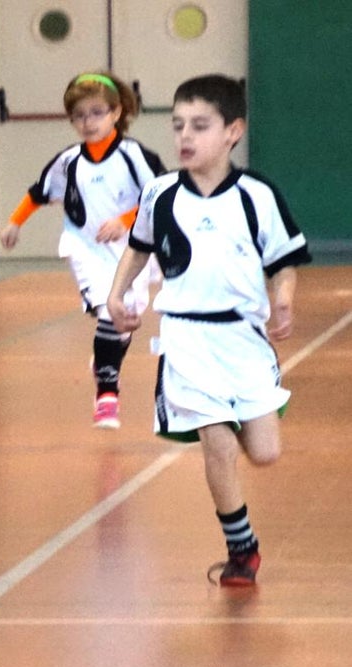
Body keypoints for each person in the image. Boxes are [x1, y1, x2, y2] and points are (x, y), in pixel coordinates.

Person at [107, 74, 310, 586]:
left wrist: (282, 298)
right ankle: (242, 549)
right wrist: (117, 294)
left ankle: (234, 417)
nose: (185, 137)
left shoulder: (257, 196)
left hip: (243, 340)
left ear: (232, 132)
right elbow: (139, 246)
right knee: (217, 446)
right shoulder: (161, 194)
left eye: (200, 125)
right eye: (178, 125)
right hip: (185, 339)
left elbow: (285, 261)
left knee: (264, 453)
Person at [0, 71, 165, 429]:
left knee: (126, 317)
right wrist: (15, 222)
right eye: (79, 115)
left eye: (96, 113)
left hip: (131, 249)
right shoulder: (69, 161)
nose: (88, 122)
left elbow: (160, 199)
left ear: (116, 113)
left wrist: (126, 219)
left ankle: (104, 358)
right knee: (110, 309)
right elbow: (39, 192)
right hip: (85, 248)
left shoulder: (135, 156)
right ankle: (107, 394)